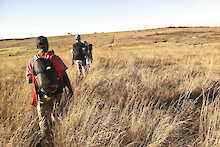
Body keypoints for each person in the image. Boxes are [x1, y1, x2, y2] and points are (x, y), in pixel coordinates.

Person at [26, 36, 73, 147]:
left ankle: (47, 142)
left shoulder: (32, 61)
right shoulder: (54, 57)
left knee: (43, 119)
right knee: (56, 115)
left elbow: (28, 79)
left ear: (37, 46)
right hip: (57, 93)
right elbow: (64, 75)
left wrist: (39, 77)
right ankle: (58, 136)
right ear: (47, 45)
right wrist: (70, 90)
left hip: (42, 95)